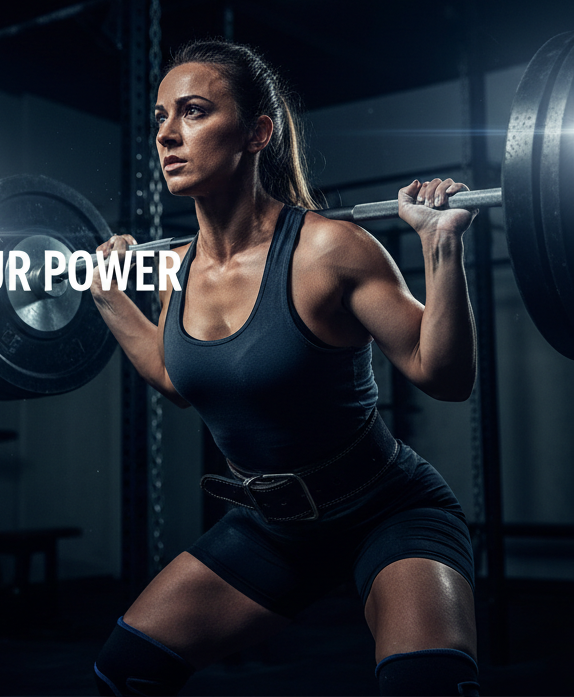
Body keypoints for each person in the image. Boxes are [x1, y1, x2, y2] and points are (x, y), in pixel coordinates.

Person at [90, 40, 479, 697]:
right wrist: (107, 297)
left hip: (387, 510)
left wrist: (441, 249)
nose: (168, 136)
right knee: (124, 672)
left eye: (193, 112)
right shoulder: (173, 270)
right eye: (160, 118)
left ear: (255, 133)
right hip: (273, 529)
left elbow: (443, 376)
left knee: (427, 688)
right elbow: (177, 377)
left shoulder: (332, 250)